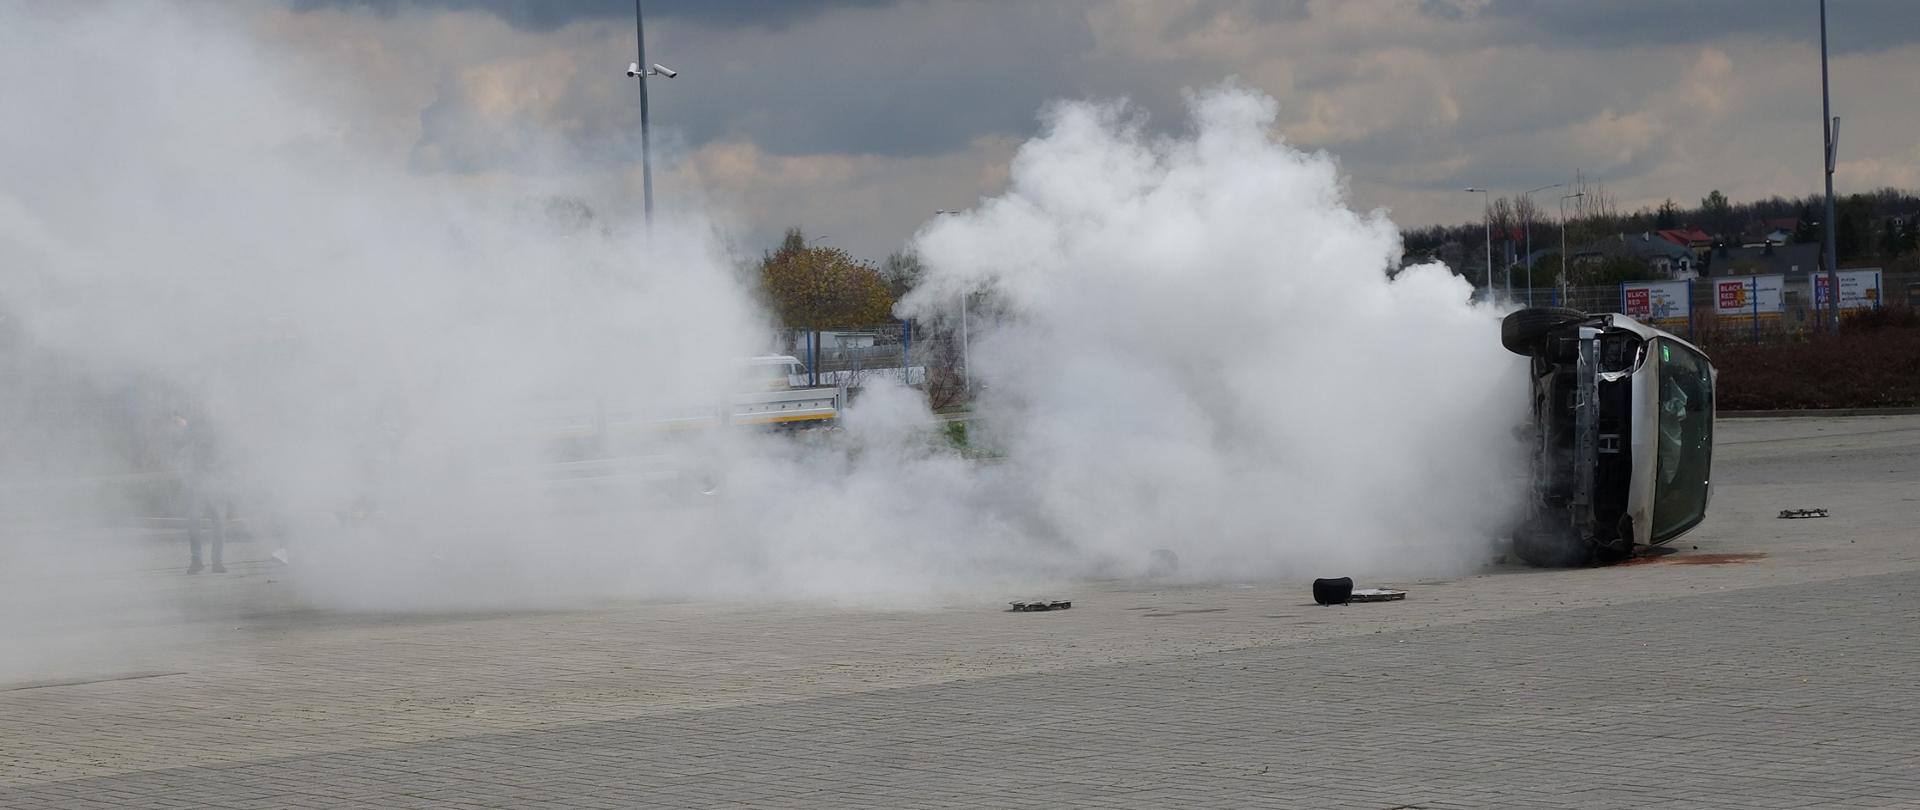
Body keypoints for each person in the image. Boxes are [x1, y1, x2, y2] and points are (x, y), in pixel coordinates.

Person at [170, 409, 228, 574]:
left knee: (217, 523)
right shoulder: (194, 429)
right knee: (196, 522)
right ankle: (199, 560)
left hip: (214, 481)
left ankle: (215, 562)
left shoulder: (215, 432)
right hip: (198, 482)